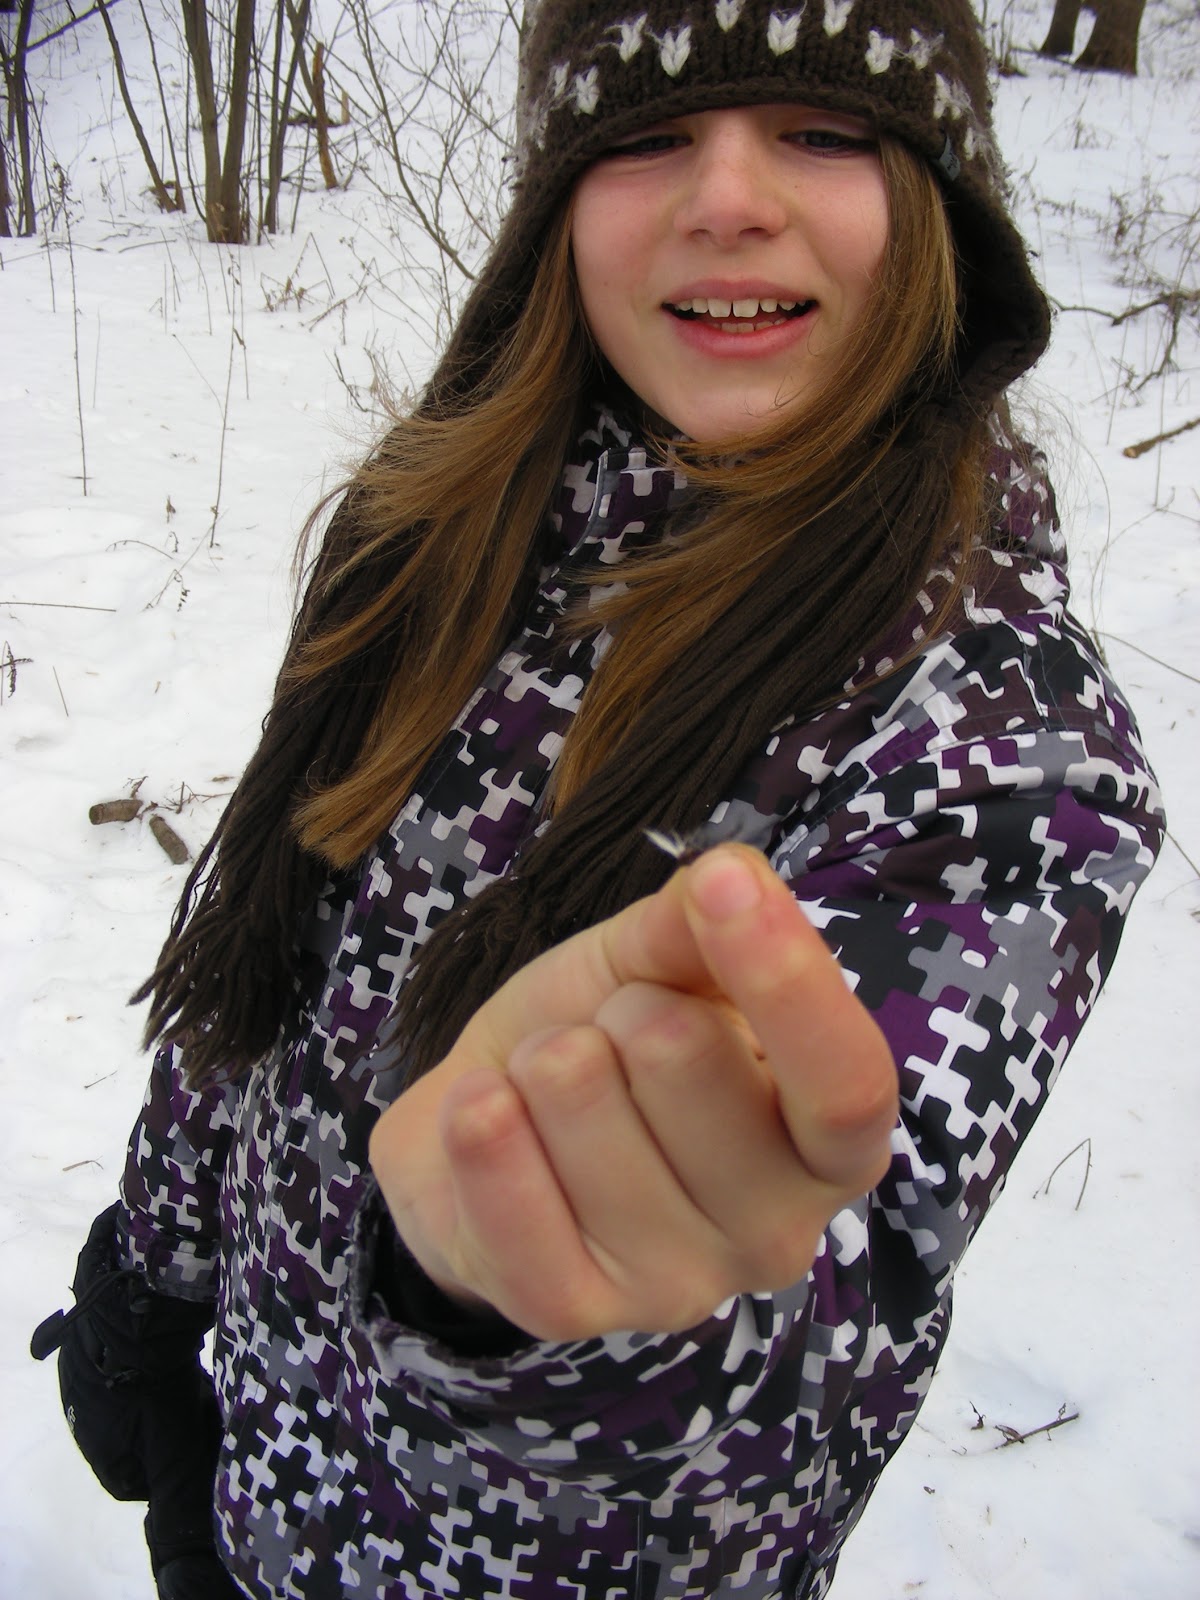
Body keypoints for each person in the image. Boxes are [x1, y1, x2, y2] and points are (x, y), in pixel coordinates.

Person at [33, 0, 1163, 1596]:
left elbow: (810, 1334)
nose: (727, 198)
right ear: (558, 208)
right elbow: (269, 966)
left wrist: (552, 1293)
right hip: (255, 1490)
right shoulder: (436, 527)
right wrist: (152, 1273)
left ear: (941, 207)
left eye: (823, 132)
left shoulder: (1001, 747)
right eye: (645, 137)